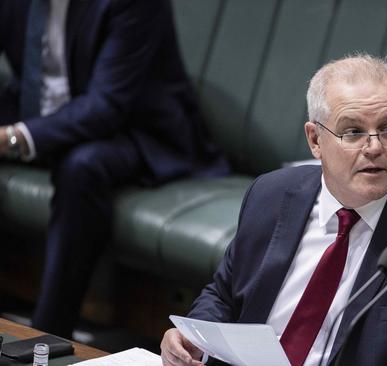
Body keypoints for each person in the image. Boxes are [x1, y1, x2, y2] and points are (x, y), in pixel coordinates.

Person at [160, 54, 387, 366]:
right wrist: (194, 340)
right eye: (354, 131)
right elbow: (223, 295)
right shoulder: (271, 195)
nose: (374, 147)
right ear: (315, 140)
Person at [0, 0, 229, 338]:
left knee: (81, 167)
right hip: (42, 110)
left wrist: (14, 138)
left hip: (136, 127)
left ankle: (48, 335)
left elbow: (106, 105)